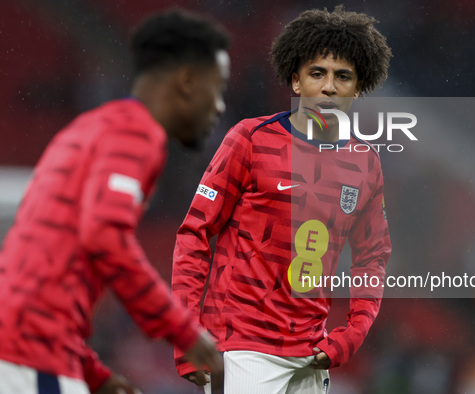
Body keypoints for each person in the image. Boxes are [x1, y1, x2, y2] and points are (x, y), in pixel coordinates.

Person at [0, 9, 230, 394]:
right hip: (32, 355)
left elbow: (33, 273)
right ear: (188, 80)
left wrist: (95, 377)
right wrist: (184, 332)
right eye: (218, 87)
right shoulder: (137, 134)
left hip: (23, 346)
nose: (220, 106)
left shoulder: (86, 130)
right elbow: (105, 235)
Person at [172, 5, 392, 393]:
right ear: (295, 80)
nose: (328, 87)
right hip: (241, 345)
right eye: (317, 74)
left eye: (343, 77)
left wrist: (353, 332)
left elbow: (372, 257)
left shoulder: (366, 164)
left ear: (358, 88)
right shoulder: (251, 140)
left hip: (311, 351)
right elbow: (194, 235)